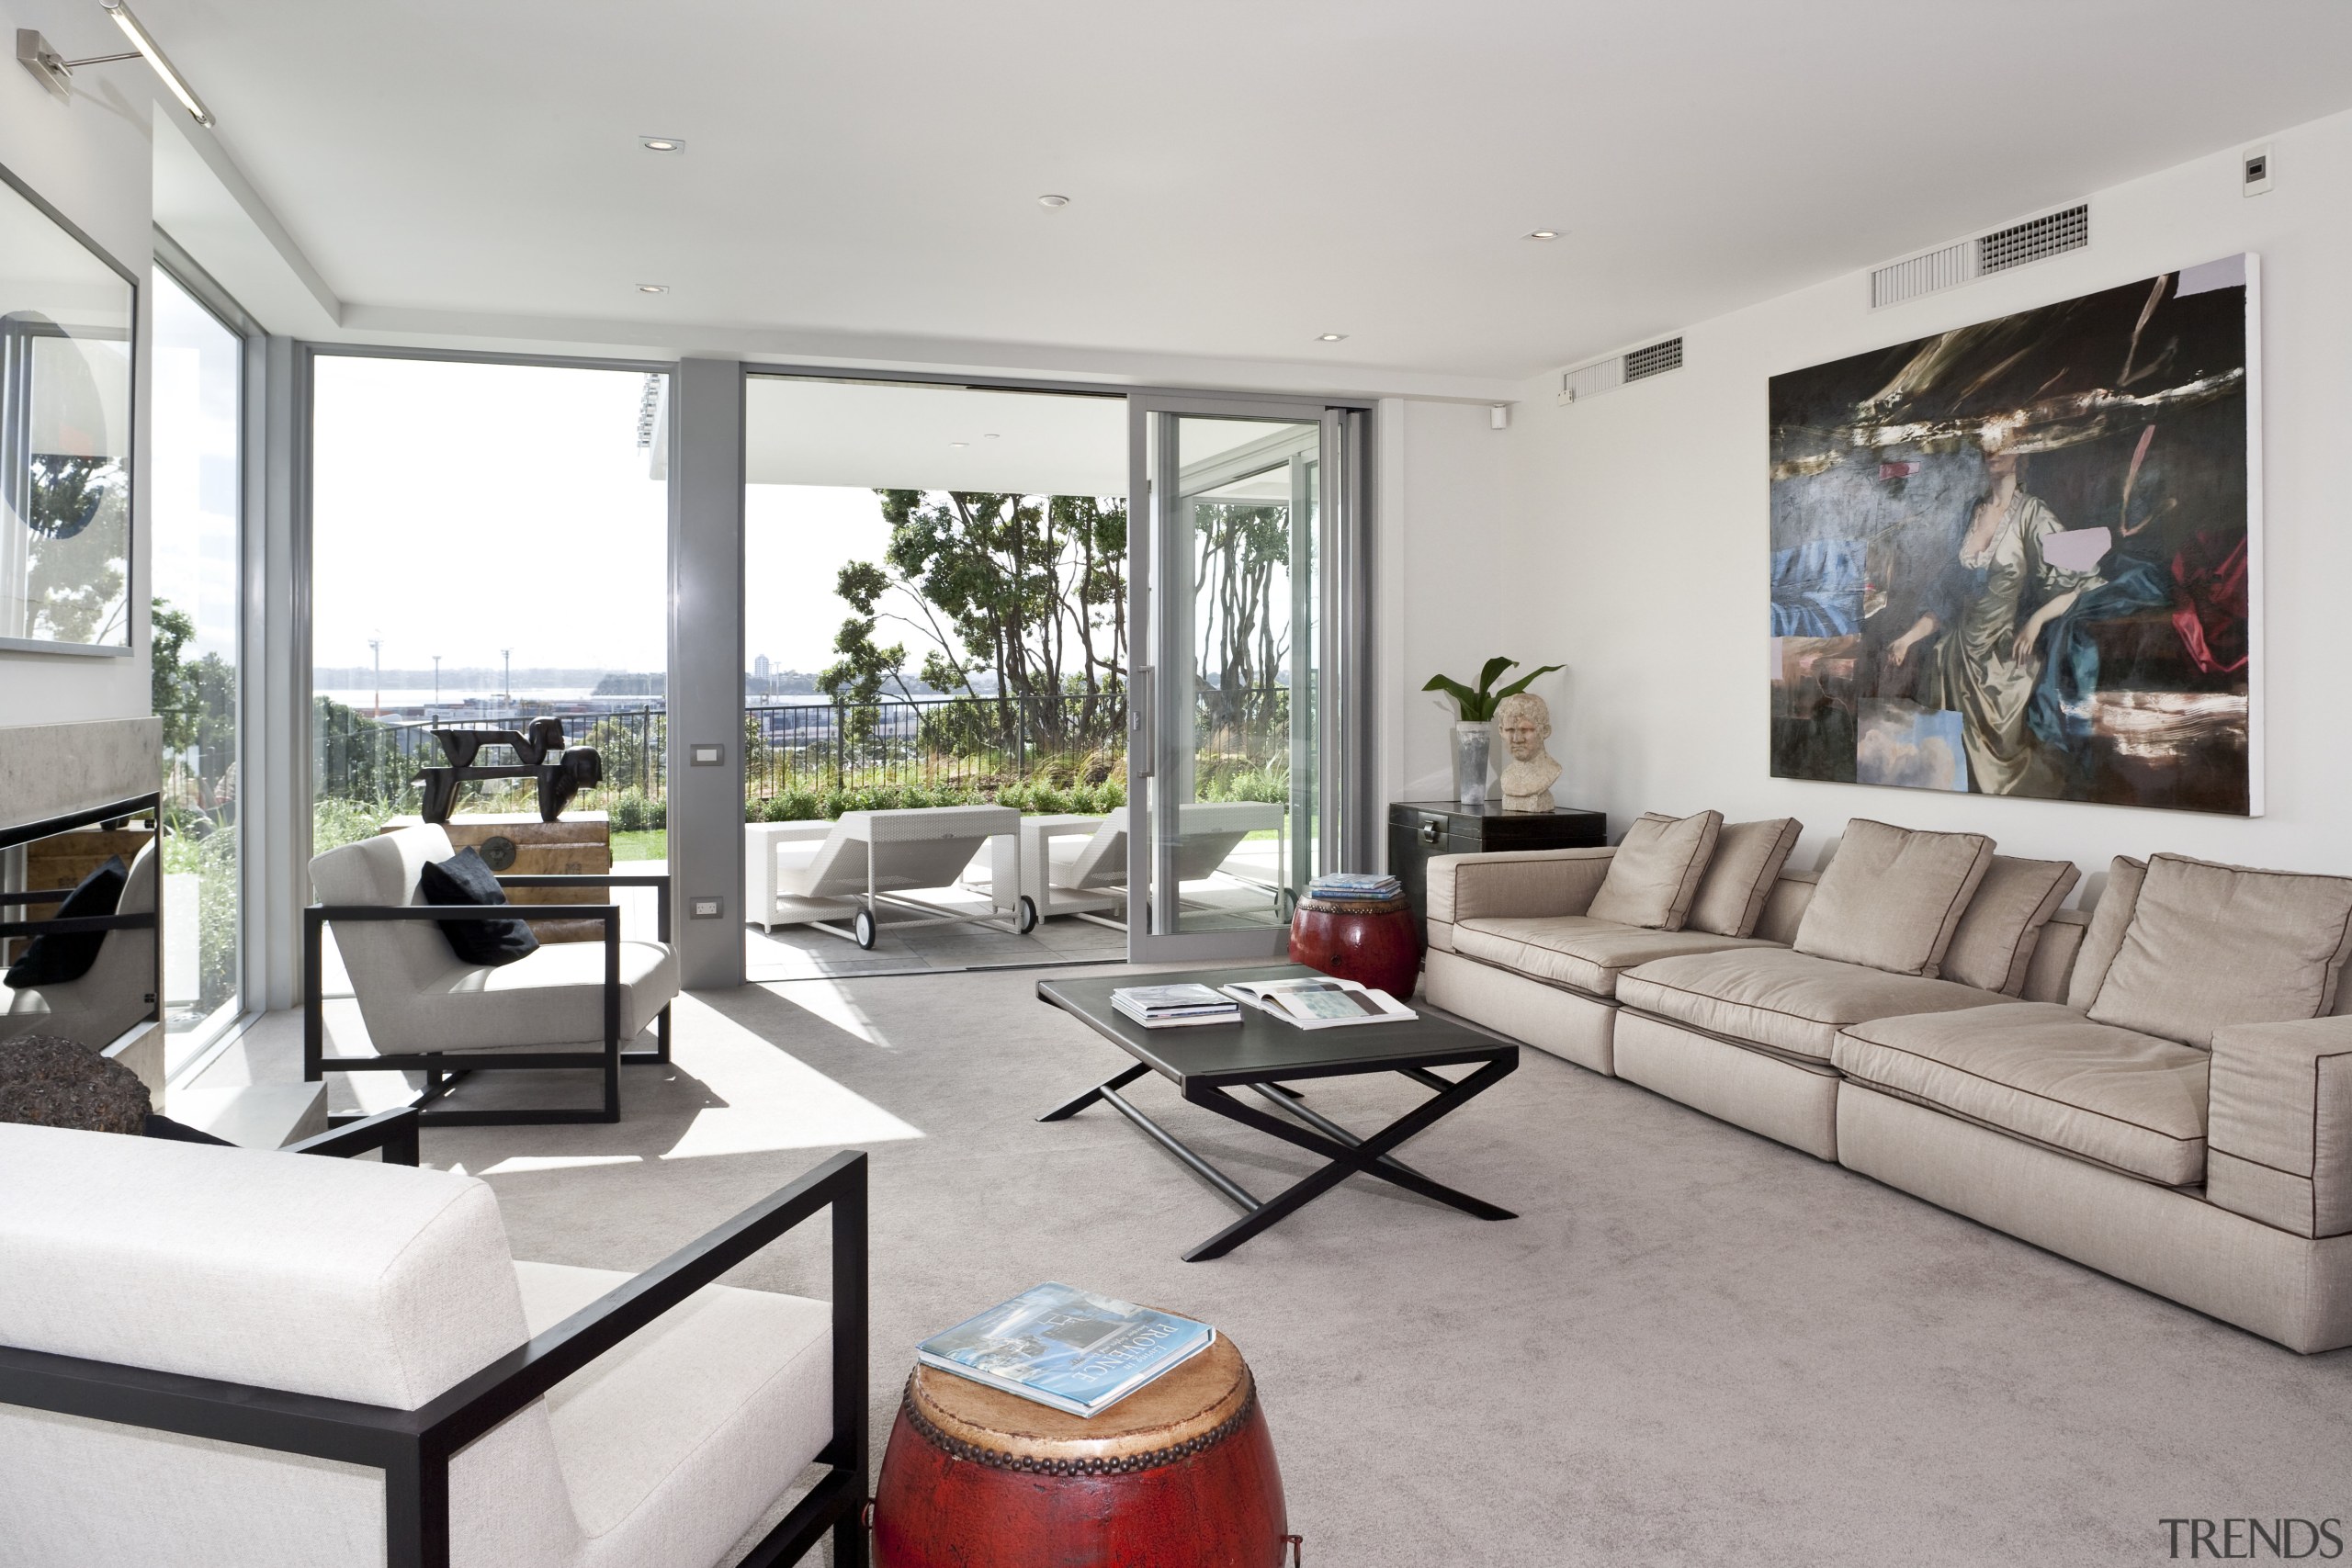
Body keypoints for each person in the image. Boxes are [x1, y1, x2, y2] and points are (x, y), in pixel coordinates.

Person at [1884, 443, 2101, 795]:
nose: (1992, 449)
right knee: (1945, 773)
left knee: (2005, 773)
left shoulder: (2034, 514)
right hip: (1952, 663)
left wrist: (2035, 622)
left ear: (2023, 453)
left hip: (2000, 664)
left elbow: (2081, 582)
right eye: (1987, 443)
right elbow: (1945, 597)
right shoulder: (1970, 514)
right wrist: (1908, 638)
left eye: (2004, 441)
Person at [1494, 691, 1561, 812]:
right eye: (1509, 730)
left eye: (1525, 730)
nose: (1517, 739)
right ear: (1501, 731)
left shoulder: (1551, 770)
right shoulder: (1507, 778)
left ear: (1545, 731)